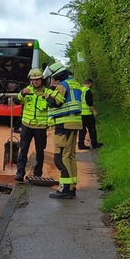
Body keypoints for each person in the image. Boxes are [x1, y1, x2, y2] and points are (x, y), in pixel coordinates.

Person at [44, 62, 83, 199]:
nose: (52, 80)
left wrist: (48, 94)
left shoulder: (62, 86)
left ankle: (65, 189)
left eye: (52, 77)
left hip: (64, 124)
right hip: (74, 123)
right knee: (70, 156)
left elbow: (55, 102)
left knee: (60, 157)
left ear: (57, 76)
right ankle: (71, 187)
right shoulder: (75, 84)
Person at [12, 68, 50, 182]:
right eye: (33, 80)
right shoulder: (27, 90)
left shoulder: (47, 93)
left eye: (37, 79)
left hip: (41, 127)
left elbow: (53, 108)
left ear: (42, 79)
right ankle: (20, 173)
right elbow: (16, 101)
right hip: (27, 126)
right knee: (23, 149)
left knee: (40, 151)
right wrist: (22, 94)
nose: (35, 82)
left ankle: (37, 173)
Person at [78, 79, 103, 150]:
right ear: (90, 83)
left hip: (80, 113)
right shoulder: (88, 91)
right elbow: (89, 102)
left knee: (82, 130)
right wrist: (94, 110)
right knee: (92, 129)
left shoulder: (79, 90)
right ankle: (94, 144)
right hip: (88, 114)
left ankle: (81, 145)